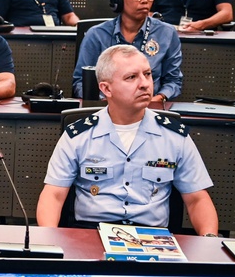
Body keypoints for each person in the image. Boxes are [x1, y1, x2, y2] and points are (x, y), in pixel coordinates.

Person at [37, 45, 219, 235]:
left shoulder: (173, 135)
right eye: (131, 77)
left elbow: (197, 199)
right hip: (91, 233)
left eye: (147, 74)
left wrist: (210, 240)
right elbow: (54, 195)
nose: (144, 84)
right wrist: (49, 239)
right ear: (106, 88)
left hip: (152, 237)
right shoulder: (79, 135)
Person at [74, 0, 182, 105]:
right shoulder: (96, 35)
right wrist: (106, 101)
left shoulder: (166, 33)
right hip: (107, 109)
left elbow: (173, 81)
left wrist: (157, 99)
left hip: (149, 108)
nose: (145, 1)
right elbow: (81, 82)